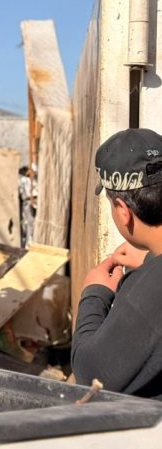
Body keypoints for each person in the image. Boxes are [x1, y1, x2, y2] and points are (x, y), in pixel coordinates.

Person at [72, 128, 162, 398]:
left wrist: (94, 294)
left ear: (123, 211)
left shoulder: (149, 291)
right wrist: (149, 259)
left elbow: (91, 375)